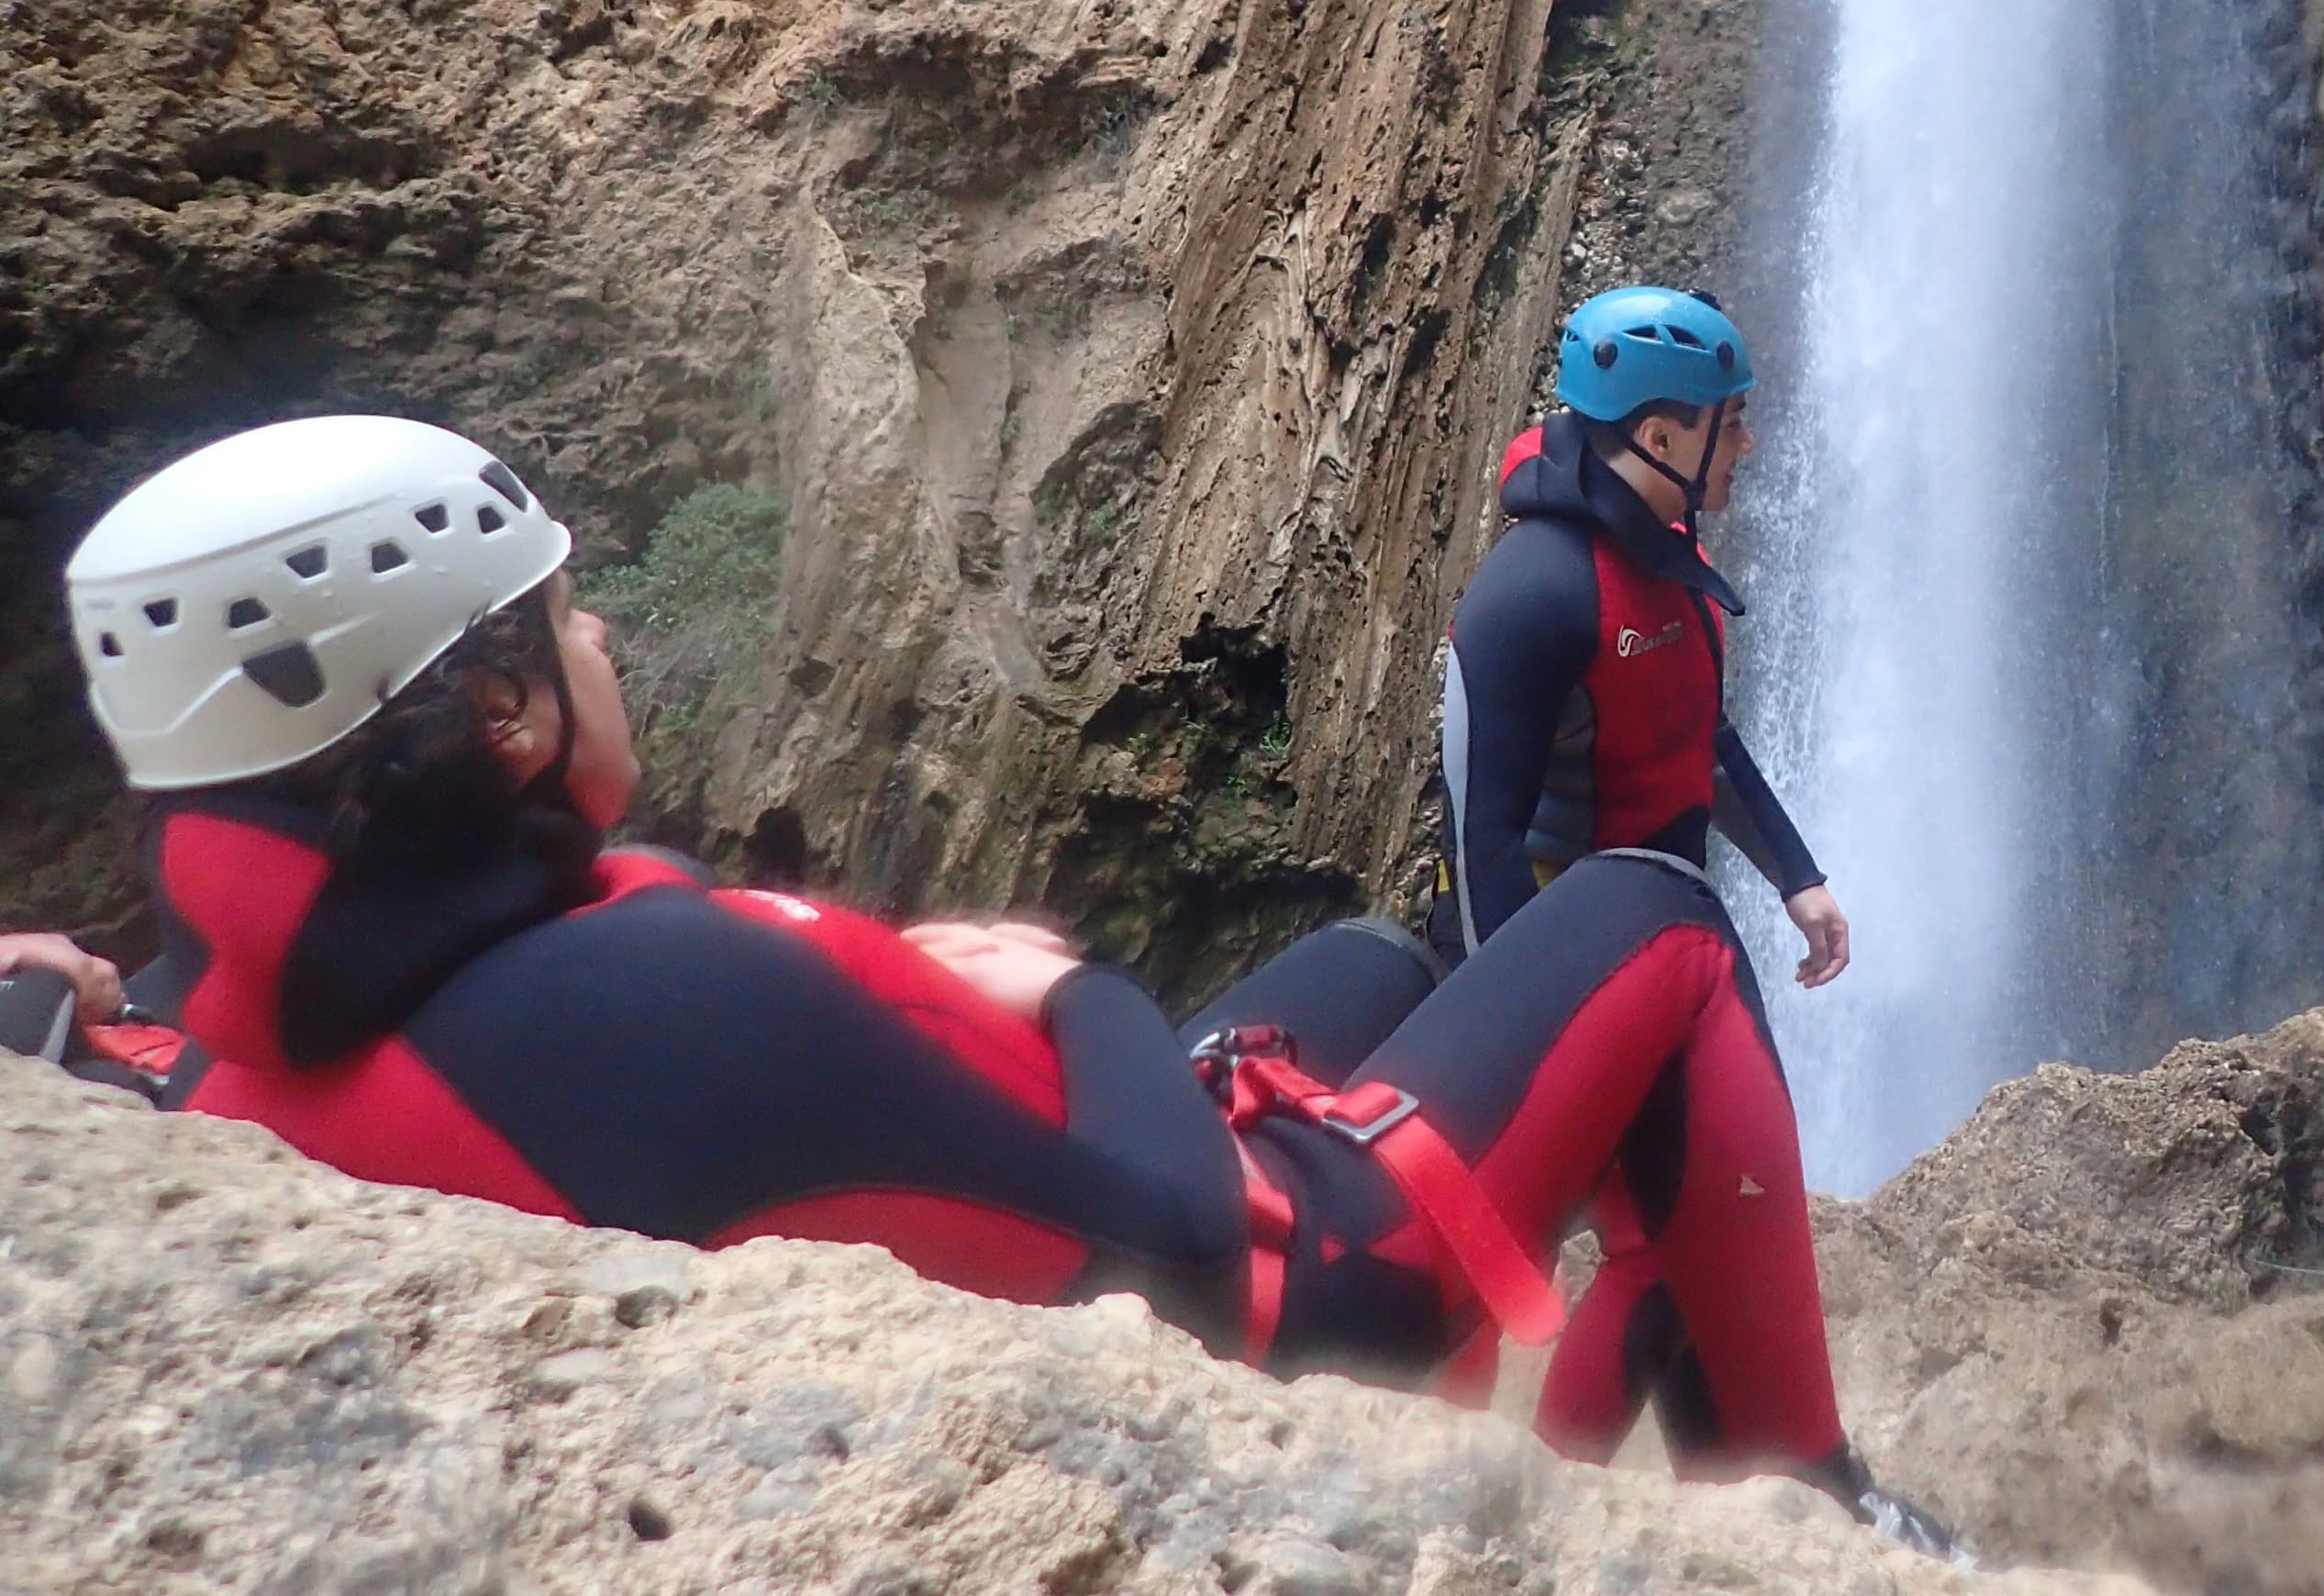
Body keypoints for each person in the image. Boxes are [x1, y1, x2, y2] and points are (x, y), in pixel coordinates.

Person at [61, 413, 1951, 1549]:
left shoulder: (238, 1031)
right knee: (1653, 918)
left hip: (985, 1217)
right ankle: (1798, 1494)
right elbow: (1175, 1204)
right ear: (499, 711)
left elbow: (106, 1025)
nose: (605, 622)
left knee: (1375, 958)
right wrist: (1065, 988)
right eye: (564, 612)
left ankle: (1664, 1358)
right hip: (1262, 1300)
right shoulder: (660, 995)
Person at [1438, 286, 1847, 1475]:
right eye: (1733, 419)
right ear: (1661, 438)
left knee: (1690, 1234)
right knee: (1660, 1251)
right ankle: (1558, 1492)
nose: (1752, 442)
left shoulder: (1665, 556)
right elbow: (1480, 836)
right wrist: (1523, 1027)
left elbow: (1692, 736)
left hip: (1671, 948)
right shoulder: (1535, 592)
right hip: (1575, 964)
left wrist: (1796, 877)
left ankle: (1722, 1481)